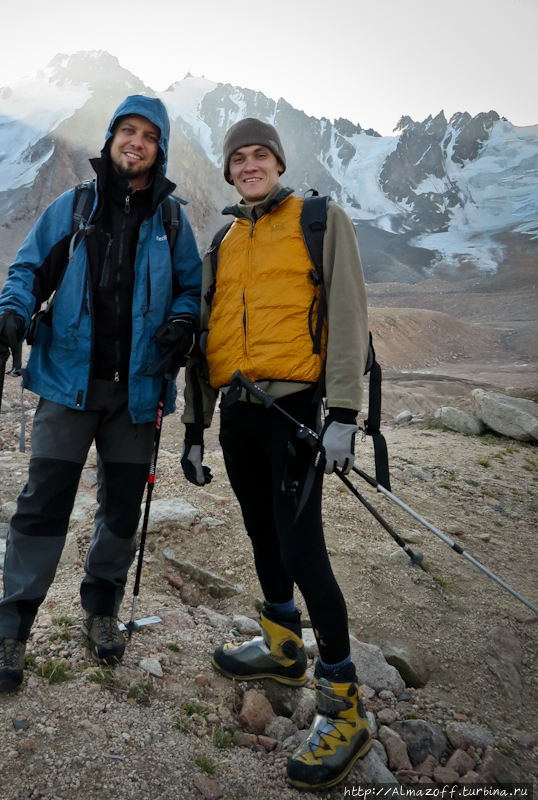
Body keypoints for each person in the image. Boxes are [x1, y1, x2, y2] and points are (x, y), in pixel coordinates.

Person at [0, 95, 202, 694]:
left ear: (159, 151)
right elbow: (28, 271)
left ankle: (101, 610)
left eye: (148, 136)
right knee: (43, 505)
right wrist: (11, 312)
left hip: (138, 393)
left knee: (121, 512)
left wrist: (183, 323)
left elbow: (191, 291)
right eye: (126, 131)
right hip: (66, 385)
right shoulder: (73, 207)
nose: (136, 142)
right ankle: (11, 630)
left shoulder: (173, 222)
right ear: (110, 140)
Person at [180, 118, 371, 790]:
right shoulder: (223, 240)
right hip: (238, 412)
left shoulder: (319, 219)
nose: (250, 165)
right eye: (239, 158)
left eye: (260, 155)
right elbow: (208, 338)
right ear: (229, 171)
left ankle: (344, 706)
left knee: (300, 547)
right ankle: (285, 649)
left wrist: (344, 413)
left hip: (296, 410)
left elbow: (349, 311)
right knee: (261, 532)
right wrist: (194, 430)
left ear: (278, 163)